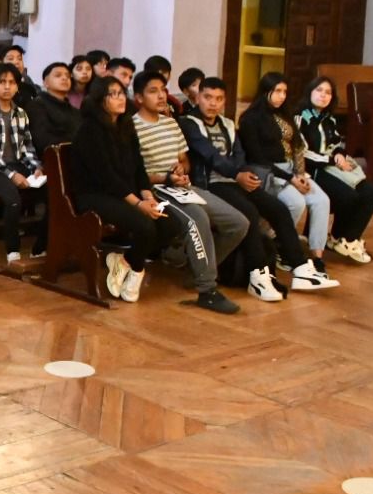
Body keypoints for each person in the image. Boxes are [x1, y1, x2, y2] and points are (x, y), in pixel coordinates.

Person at [180, 77, 337, 298]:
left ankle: (301, 268)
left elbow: (240, 155)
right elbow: (210, 156)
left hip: (234, 181)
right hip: (209, 185)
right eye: (207, 97)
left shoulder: (226, 124)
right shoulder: (189, 123)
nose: (213, 103)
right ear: (198, 98)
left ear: (224, 101)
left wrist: (243, 173)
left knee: (278, 209)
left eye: (218, 99)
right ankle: (258, 276)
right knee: (250, 213)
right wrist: (238, 174)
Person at [131, 71, 246, 314]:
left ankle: (196, 271)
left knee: (238, 222)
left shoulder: (171, 123)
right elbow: (134, 174)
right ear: (139, 97)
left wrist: (182, 170)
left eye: (164, 90)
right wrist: (166, 177)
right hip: (155, 190)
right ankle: (207, 289)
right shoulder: (131, 127)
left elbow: (184, 160)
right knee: (197, 218)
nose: (162, 95)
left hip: (181, 186)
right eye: (154, 91)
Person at [68, 77, 180, 304]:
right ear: (100, 100)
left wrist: (148, 197)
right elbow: (106, 176)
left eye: (121, 93)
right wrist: (138, 204)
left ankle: (125, 262)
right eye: (113, 94)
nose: (120, 99)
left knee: (171, 224)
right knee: (146, 226)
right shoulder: (89, 130)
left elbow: (139, 167)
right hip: (94, 195)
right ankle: (137, 271)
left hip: (124, 193)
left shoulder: (125, 126)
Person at [240, 72, 334, 274]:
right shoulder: (250, 118)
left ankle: (317, 256)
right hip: (270, 172)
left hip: (293, 169)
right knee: (296, 202)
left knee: (321, 200)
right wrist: (291, 179)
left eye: (284, 92)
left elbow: (298, 145)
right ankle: (282, 245)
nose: (281, 96)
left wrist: (299, 173)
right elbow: (257, 158)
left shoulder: (285, 114)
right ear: (266, 91)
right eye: (277, 91)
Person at [0, 63, 48, 264]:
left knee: (53, 194)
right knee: (13, 199)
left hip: (16, 166)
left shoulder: (20, 113)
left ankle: (40, 247)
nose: (7, 87)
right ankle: (12, 250)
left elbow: (27, 148)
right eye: (2, 82)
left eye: (12, 83)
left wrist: (35, 167)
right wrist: (12, 175)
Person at [298, 76, 373, 264]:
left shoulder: (329, 118)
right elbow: (300, 153)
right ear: (310, 91)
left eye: (328, 92)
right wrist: (331, 160)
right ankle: (326, 237)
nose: (323, 95)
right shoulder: (300, 117)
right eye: (319, 90)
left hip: (331, 166)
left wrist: (339, 155)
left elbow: (336, 143)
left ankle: (345, 239)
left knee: (370, 193)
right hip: (312, 169)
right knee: (348, 197)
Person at [26, 61, 83, 155]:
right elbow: (42, 140)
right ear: (45, 83)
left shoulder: (76, 112)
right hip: (53, 160)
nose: (64, 78)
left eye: (68, 76)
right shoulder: (36, 106)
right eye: (58, 75)